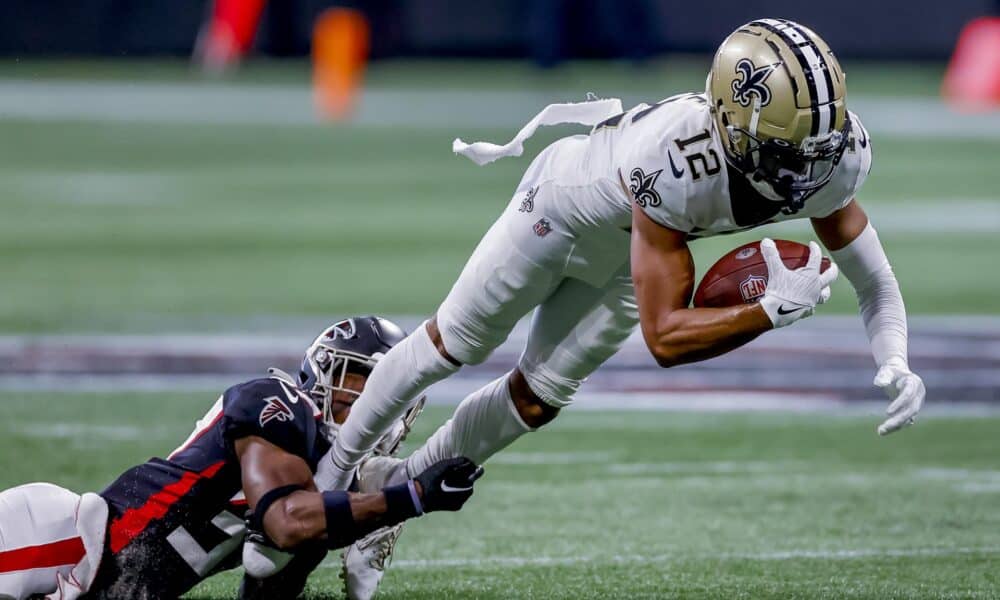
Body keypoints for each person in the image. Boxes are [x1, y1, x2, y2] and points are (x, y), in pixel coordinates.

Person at [315, 17, 928, 585]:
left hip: (632, 252)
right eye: (785, 153)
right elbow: (664, 338)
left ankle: (388, 500)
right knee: (455, 344)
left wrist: (895, 359)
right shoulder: (677, 158)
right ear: (727, 123)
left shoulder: (833, 157)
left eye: (815, 152)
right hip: (559, 215)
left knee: (537, 398)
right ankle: (332, 477)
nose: (804, 175)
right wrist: (765, 312)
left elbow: (874, 283)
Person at [0, 316, 483, 600]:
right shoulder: (280, 404)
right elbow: (285, 522)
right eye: (361, 378)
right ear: (323, 370)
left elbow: (269, 573)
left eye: (387, 391)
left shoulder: (326, 493)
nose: (373, 401)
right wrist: (412, 497)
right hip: (62, 538)